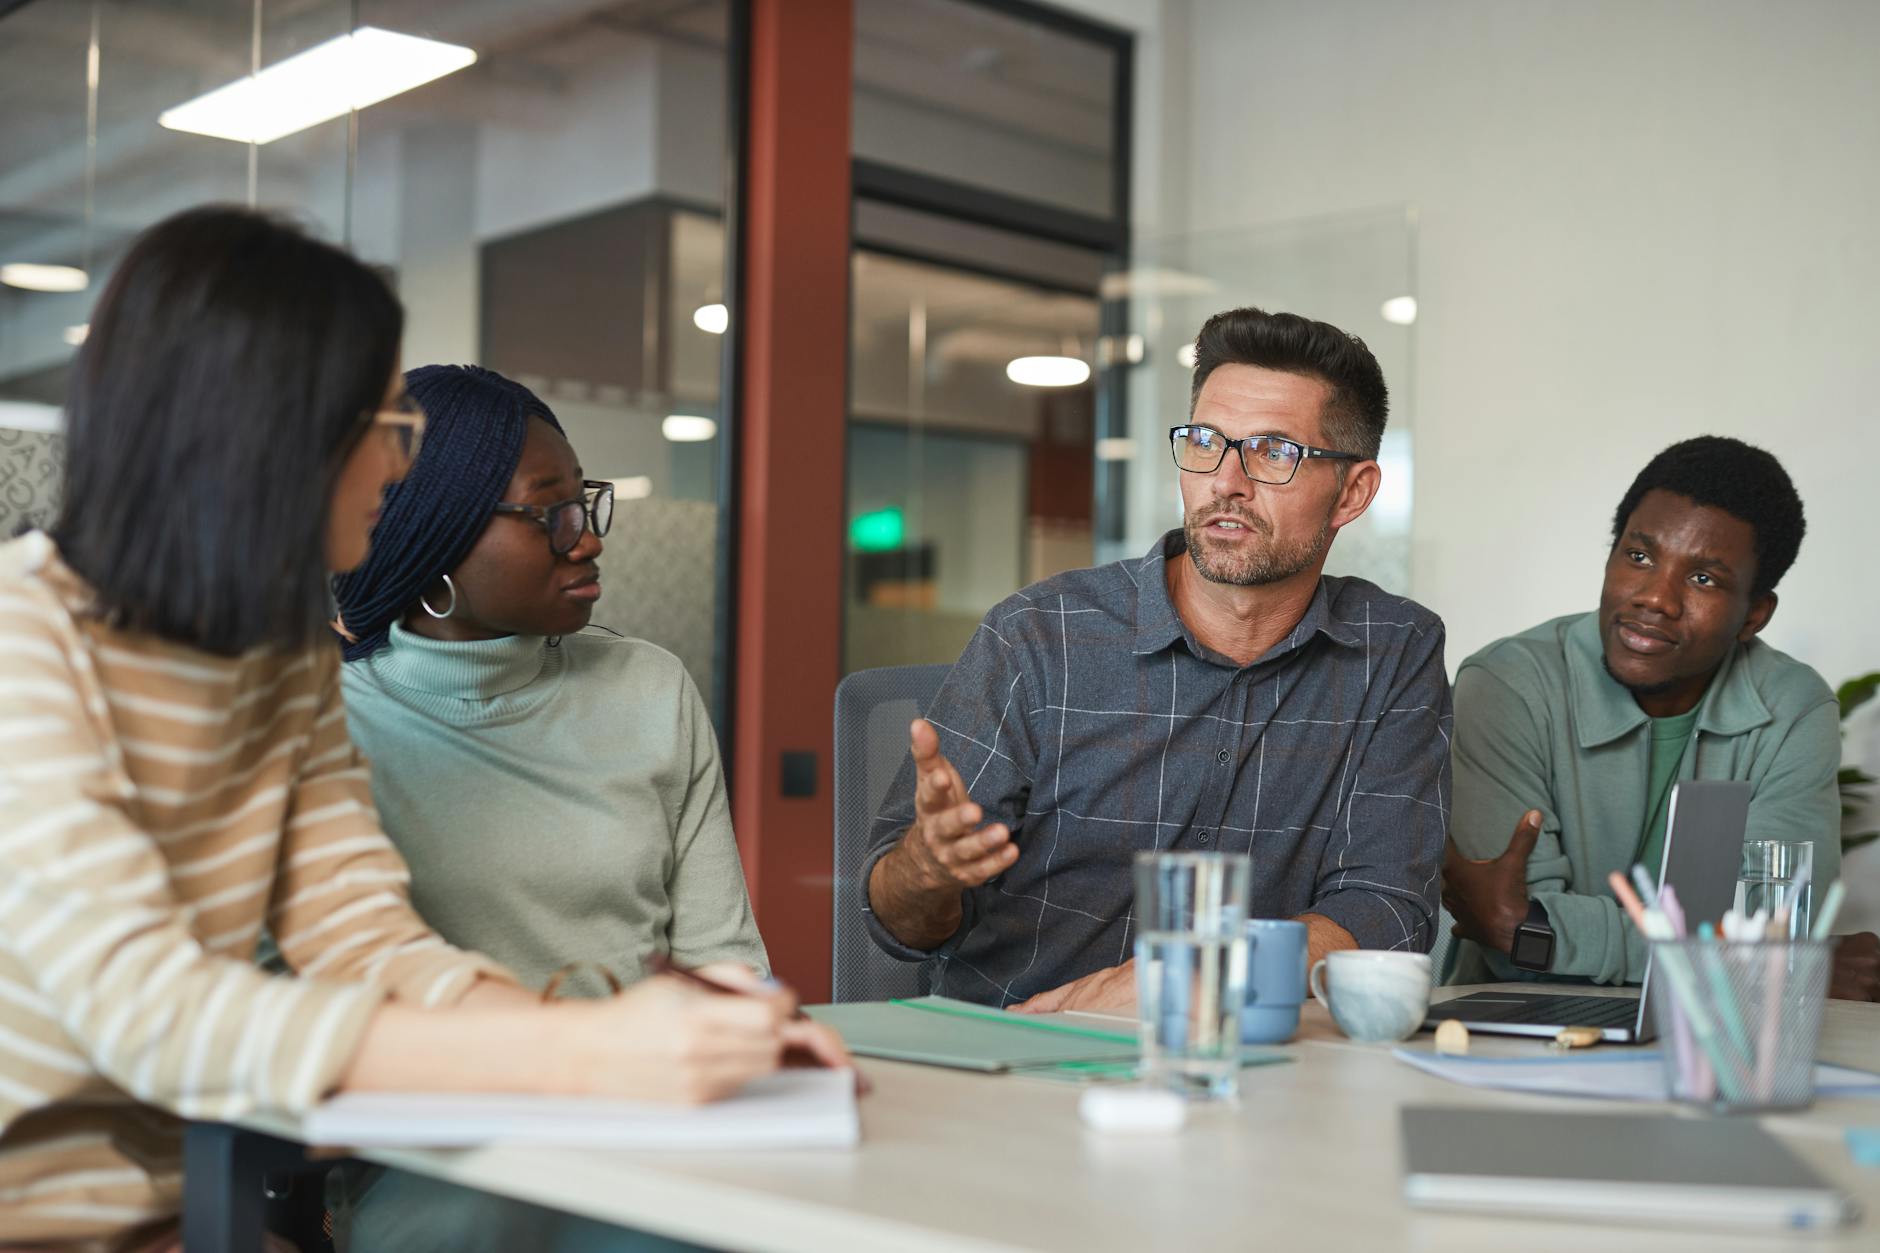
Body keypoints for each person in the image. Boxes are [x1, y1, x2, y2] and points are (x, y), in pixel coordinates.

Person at [0, 206, 842, 1251]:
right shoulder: (23, 647)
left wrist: (644, 1042)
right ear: (274, 431)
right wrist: (584, 1056)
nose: (401, 469)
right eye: (383, 427)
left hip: (194, 1209)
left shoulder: (282, 659)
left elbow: (363, 936)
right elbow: (151, 1011)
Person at [863, 306, 1451, 1012]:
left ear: (1352, 493)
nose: (1225, 481)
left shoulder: (1392, 651)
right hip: (1018, 1051)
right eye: (1205, 441)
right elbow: (895, 921)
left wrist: (1179, 979)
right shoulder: (1039, 637)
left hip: (1243, 1075)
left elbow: (1387, 916)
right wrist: (925, 872)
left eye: (1272, 451)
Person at [324, 364, 768, 1251]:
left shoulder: (650, 688)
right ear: (436, 536)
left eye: (586, 505)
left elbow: (726, 965)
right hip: (436, 1151)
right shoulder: (326, 724)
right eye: (548, 513)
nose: (587, 540)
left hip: (655, 1125)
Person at [1443, 436, 1880, 999]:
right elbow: (1518, 959)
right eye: (1640, 556)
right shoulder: (1506, 687)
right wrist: (1749, 959)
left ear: (1754, 615)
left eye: (1704, 579)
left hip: (1722, 1041)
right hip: (1514, 1034)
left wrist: (1546, 932)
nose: (1656, 599)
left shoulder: (1792, 708)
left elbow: (1775, 936)